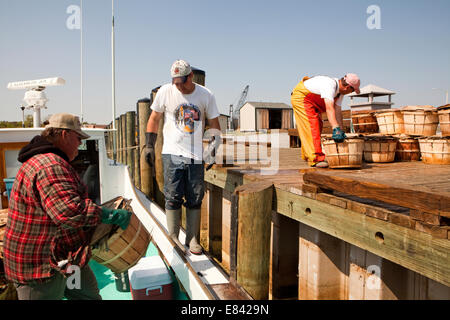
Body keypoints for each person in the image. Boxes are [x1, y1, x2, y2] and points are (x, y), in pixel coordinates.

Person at [3, 113, 132, 300]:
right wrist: (109, 215)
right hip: (40, 267)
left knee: (86, 296)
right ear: (64, 135)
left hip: (68, 260)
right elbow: (68, 212)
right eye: (78, 138)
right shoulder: (50, 165)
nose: (80, 145)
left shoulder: (45, 160)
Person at [144, 60, 221, 255]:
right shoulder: (165, 91)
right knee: (173, 195)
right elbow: (154, 118)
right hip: (171, 152)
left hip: (195, 154)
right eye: (175, 82)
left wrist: (213, 149)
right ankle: (173, 236)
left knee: (195, 196)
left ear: (191, 77)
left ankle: (193, 239)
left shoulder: (206, 95)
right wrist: (149, 145)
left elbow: (214, 123)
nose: (178, 86)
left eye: (182, 82)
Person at [291, 74, 361, 168]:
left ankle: (307, 155)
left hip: (313, 102)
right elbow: (329, 109)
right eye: (352, 90)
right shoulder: (330, 85)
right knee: (312, 126)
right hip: (302, 97)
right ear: (348, 87)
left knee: (318, 126)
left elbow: (337, 112)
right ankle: (315, 159)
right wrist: (335, 128)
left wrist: (341, 129)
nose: (350, 93)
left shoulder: (340, 93)